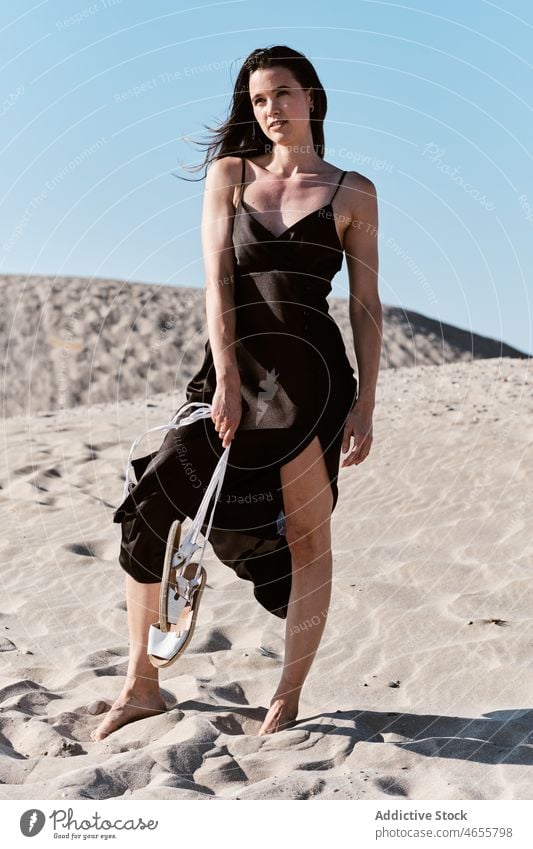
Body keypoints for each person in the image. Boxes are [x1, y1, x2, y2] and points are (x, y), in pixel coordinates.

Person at [91, 45, 382, 741]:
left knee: (309, 536)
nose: (270, 108)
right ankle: (142, 681)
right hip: (230, 373)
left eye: (282, 93)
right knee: (153, 506)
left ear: (310, 97)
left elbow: (366, 304)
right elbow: (216, 284)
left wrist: (366, 401)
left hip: (313, 385)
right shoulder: (229, 176)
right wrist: (224, 377)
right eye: (257, 100)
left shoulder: (352, 191)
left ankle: (287, 695)